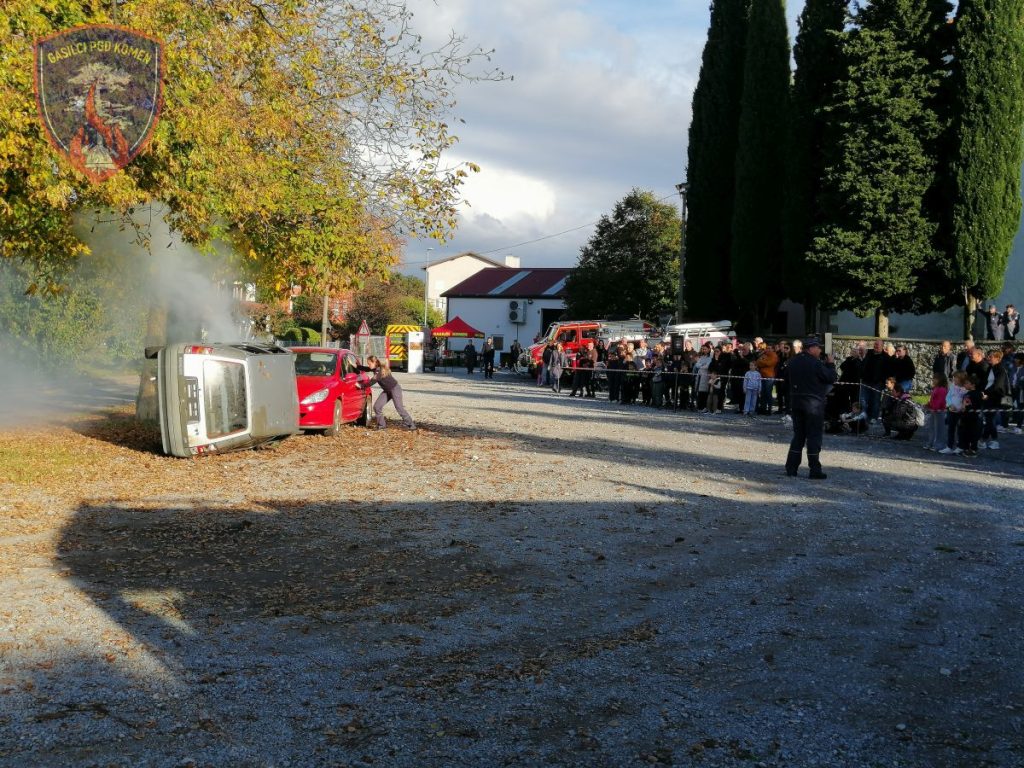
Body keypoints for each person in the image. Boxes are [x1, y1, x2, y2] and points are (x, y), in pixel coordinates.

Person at [784, 337, 837, 479]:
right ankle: (814, 469)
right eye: (818, 347)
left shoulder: (793, 361)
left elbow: (785, 379)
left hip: (796, 402)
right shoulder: (815, 363)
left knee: (798, 436)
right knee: (813, 436)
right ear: (811, 348)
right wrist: (830, 364)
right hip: (813, 404)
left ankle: (791, 468)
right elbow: (831, 377)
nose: (820, 350)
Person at [360, 356, 416, 431]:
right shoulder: (375, 368)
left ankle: (411, 425)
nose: (369, 365)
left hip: (395, 389)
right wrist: (356, 366)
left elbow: (371, 382)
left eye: (369, 364)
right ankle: (382, 426)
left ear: (375, 362)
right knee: (377, 407)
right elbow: (366, 368)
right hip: (387, 391)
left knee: (399, 408)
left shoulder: (379, 371)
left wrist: (360, 385)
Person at [939, 370, 969, 455]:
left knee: (961, 430)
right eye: (954, 377)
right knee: (951, 429)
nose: (954, 379)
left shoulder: (965, 389)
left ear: (961, 379)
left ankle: (960, 446)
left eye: (956, 377)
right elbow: (948, 397)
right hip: (951, 411)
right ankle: (949, 446)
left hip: (961, 412)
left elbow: (966, 400)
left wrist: (962, 407)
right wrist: (950, 405)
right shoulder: (952, 386)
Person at [924, 373, 949, 451]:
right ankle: (931, 443)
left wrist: (934, 408)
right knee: (932, 428)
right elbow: (933, 399)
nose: (933, 380)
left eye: (935, 379)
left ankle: (938, 445)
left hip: (939, 411)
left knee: (939, 429)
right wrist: (928, 405)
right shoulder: (936, 388)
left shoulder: (942, 389)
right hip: (934, 411)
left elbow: (940, 401)